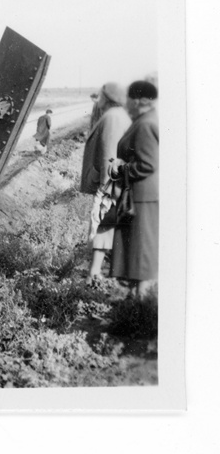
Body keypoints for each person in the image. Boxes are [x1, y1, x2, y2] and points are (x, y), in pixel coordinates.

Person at [110, 80, 159, 298]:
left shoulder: (146, 124)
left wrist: (122, 168)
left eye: (129, 99)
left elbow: (148, 164)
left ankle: (142, 306)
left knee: (141, 252)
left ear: (138, 100)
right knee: (136, 250)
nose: (126, 103)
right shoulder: (144, 120)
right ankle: (137, 302)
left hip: (142, 197)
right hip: (139, 196)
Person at [79, 83, 131, 284]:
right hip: (114, 183)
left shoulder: (112, 118)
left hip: (109, 184)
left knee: (101, 224)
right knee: (107, 225)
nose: (98, 97)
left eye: (101, 94)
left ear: (107, 97)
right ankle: (101, 270)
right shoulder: (116, 115)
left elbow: (109, 154)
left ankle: (96, 272)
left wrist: (106, 186)